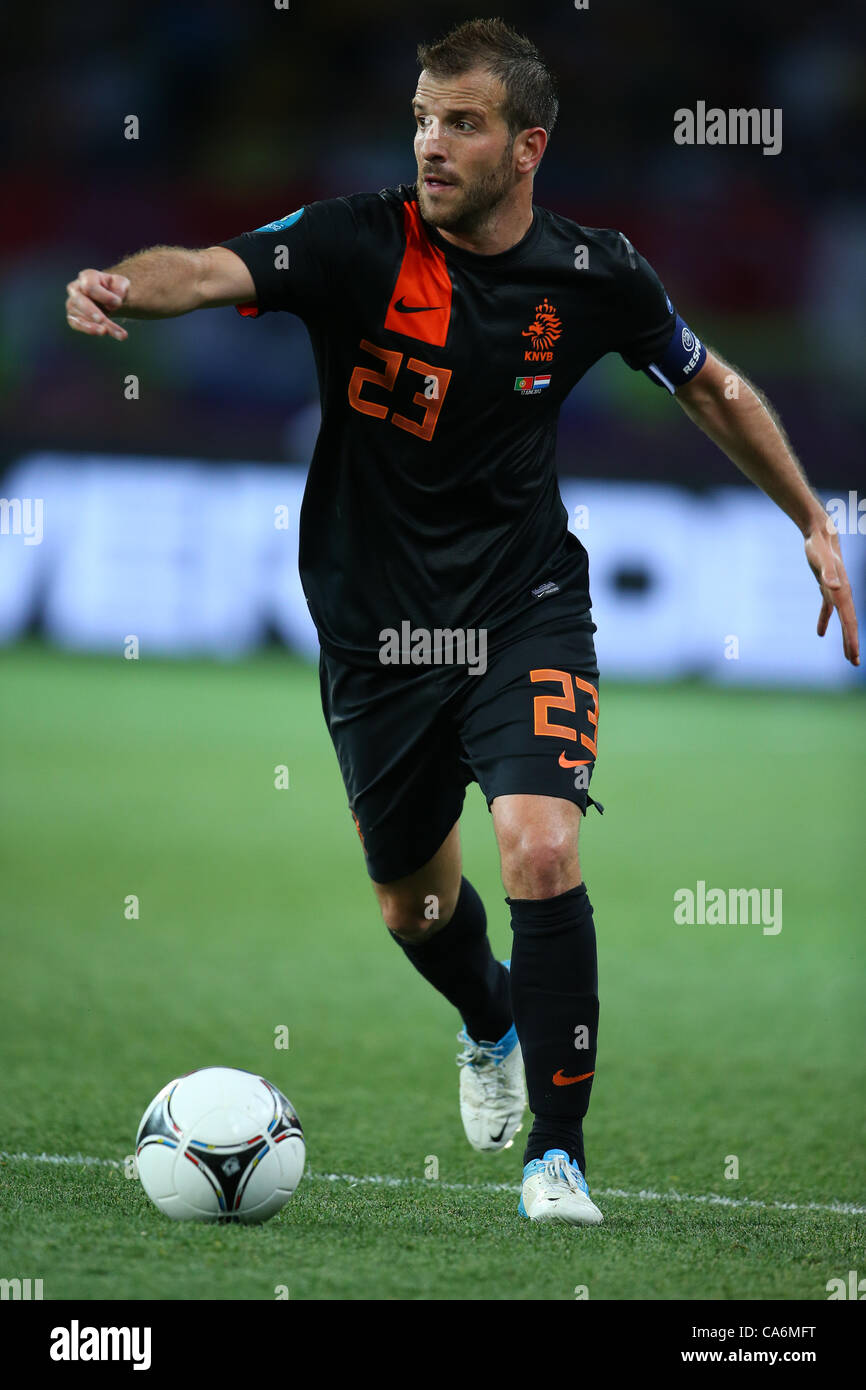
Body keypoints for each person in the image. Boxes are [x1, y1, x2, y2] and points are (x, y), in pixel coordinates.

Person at [65, 18, 859, 1226]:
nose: (432, 144)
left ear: (527, 144)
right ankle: (486, 1013)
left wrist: (808, 515)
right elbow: (213, 266)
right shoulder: (352, 240)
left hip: (521, 605)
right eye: (423, 119)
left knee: (539, 846)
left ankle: (559, 1153)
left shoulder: (595, 274)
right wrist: (125, 284)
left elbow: (707, 381)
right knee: (413, 907)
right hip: (373, 631)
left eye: (463, 123)